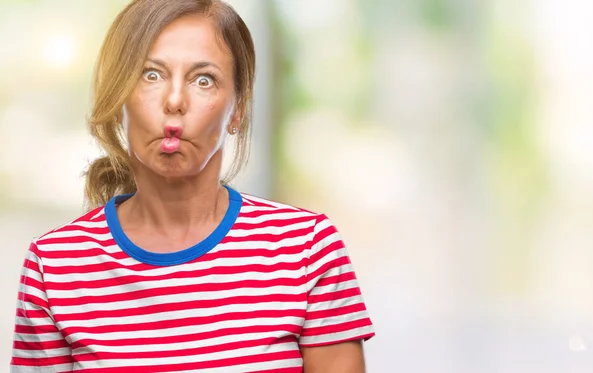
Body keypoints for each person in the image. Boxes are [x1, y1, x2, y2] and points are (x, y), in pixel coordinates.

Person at [10, 0, 375, 372]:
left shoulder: (306, 249)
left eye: (204, 79)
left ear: (238, 109)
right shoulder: (54, 266)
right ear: (118, 95)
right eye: (151, 74)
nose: (174, 101)